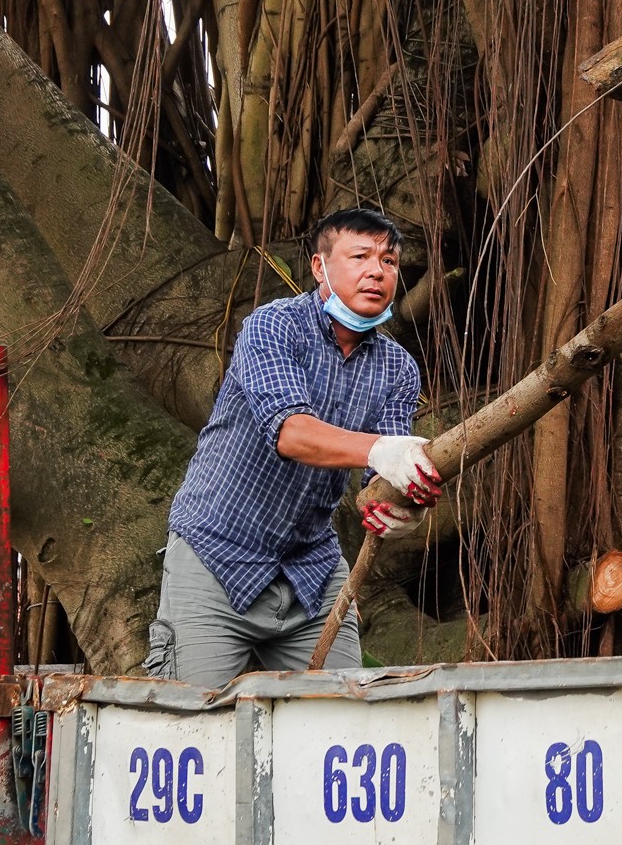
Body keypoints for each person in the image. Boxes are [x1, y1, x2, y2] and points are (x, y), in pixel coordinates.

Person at [146, 207, 443, 685]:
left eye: (388, 260)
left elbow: (382, 477)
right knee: (191, 728)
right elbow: (291, 433)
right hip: (216, 556)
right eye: (360, 256)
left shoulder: (398, 369)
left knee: (340, 724)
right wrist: (381, 450)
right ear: (319, 266)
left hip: (311, 568)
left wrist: (405, 507)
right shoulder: (273, 326)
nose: (376, 271)